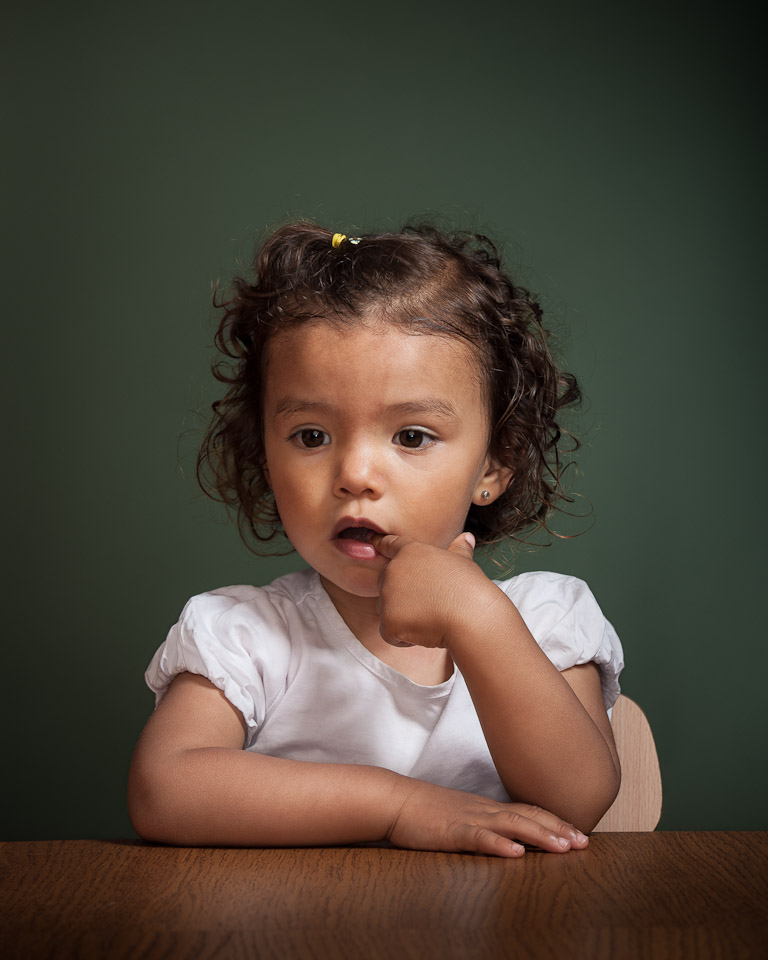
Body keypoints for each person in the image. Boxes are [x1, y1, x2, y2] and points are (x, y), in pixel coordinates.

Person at [128, 222, 623, 858]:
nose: (355, 475)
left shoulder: (547, 619)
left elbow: (578, 802)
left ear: (495, 464)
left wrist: (477, 617)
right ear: (265, 456)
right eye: (311, 436)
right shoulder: (245, 635)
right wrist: (399, 805)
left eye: (412, 436)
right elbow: (164, 790)